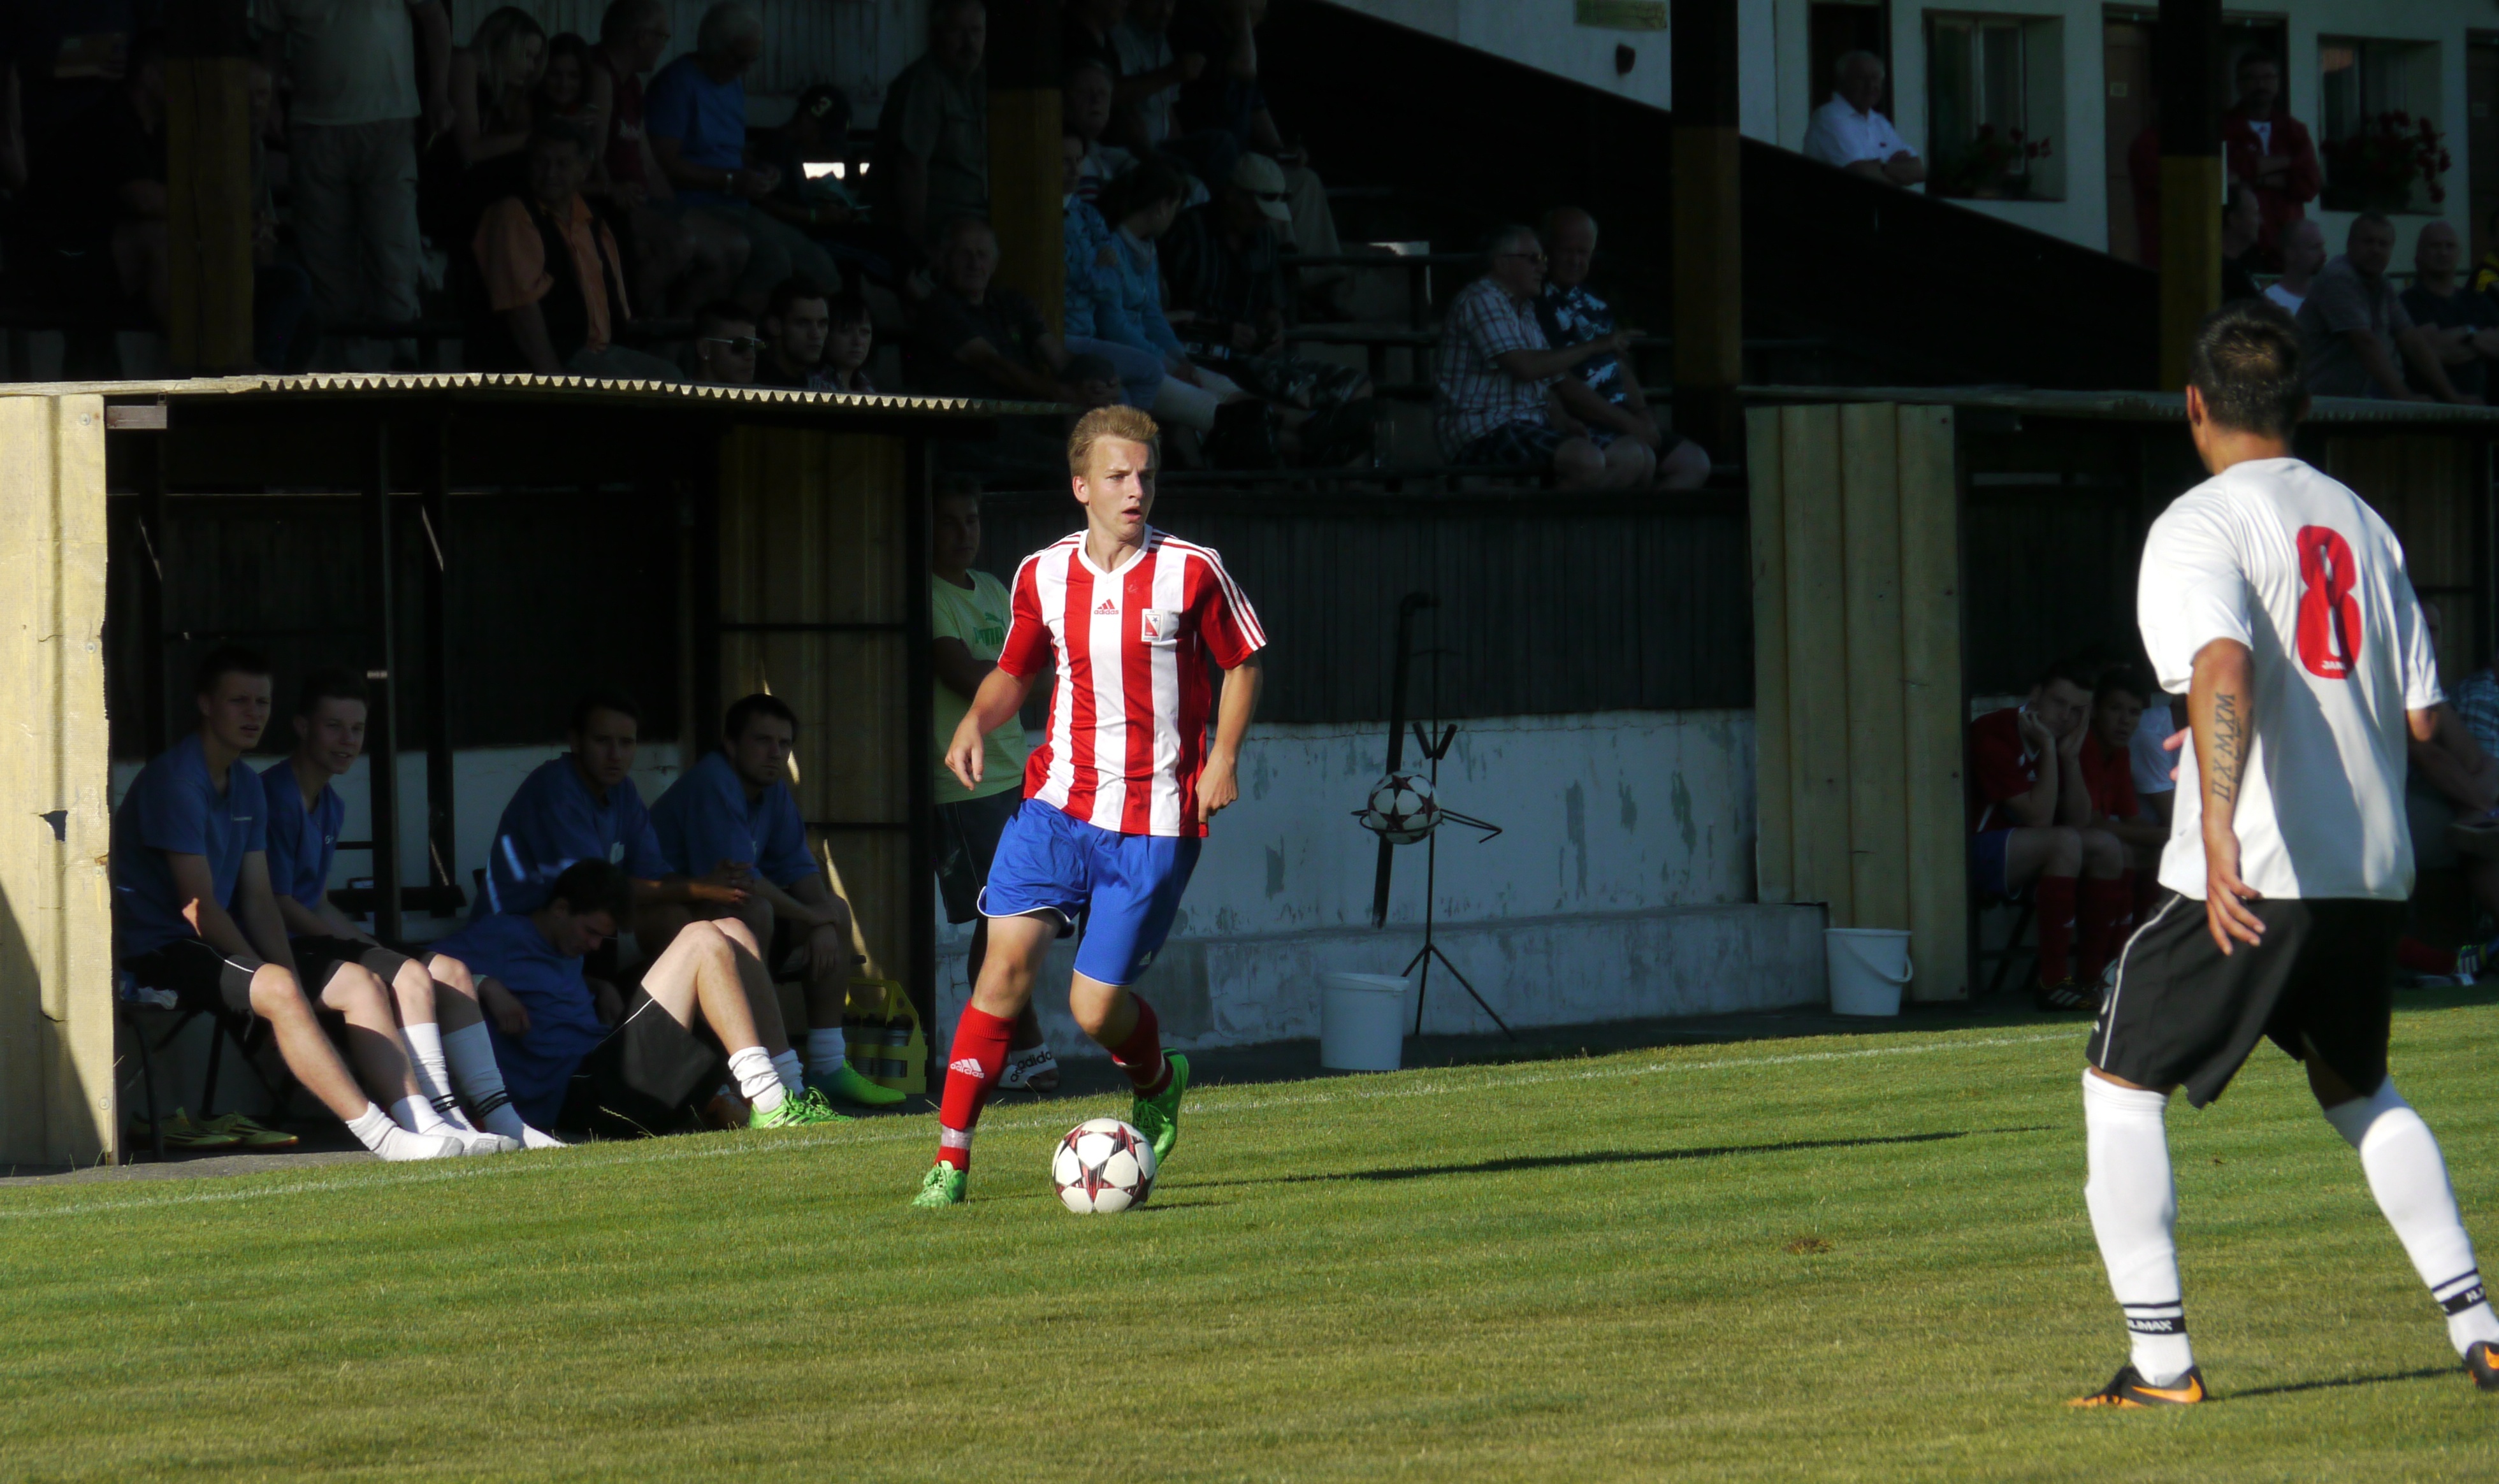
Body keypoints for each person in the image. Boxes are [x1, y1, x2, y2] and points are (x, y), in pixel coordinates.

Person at [2071, 300, 2499, 1407]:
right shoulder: (2362, 522)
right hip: (2369, 865)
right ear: (2302, 405)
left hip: (2258, 861)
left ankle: (2160, 1363)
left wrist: (2216, 826)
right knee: (2357, 1086)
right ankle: (2481, 1328)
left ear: (2194, 405)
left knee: (2118, 1080)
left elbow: (2223, 666)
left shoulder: (2198, 521)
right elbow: (2420, 716)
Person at [912, 406, 1265, 1207]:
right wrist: (974, 721)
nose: (1135, 489)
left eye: (1145, 475)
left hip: (1153, 820)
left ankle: (1157, 1080)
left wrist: (1223, 757)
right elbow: (1015, 670)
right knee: (1003, 970)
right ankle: (950, 1162)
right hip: (1055, 806)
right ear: (1081, 487)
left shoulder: (1192, 569)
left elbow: (1243, 661)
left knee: (1093, 1007)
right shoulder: (1042, 574)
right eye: (1117, 476)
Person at [112, 647, 472, 1163]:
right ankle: (386, 1138)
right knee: (279, 986)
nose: (253, 713)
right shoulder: (178, 780)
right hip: (154, 951)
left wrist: (288, 977)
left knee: (349, 984)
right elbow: (199, 909)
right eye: (238, 701)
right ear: (205, 704)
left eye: (262, 702)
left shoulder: (245, 783)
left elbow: (260, 898)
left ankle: (423, 1120)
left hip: (204, 945)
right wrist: (274, 980)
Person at [257, 668, 554, 1151]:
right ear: (301, 726)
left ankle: (504, 1120)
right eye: (333, 726)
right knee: (410, 975)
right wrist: (363, 951)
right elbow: (279, 902)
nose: (347, 740)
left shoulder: (330, 804)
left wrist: (366, 945)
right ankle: (437, 1120)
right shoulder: (274, 795)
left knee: (453, 972)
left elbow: (318, 900)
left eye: (357, 728)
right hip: (286, 950)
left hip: (320, 939)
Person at [431, 858, 839, 1133]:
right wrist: (486, 984)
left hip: (616, 1075)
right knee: (701, 938)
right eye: (591, 932)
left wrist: (597, 985)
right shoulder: (504, 935)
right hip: (581, 1096)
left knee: (734, 929)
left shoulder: (565, 951)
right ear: (559, 909)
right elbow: (421, 967)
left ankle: (790, 1092)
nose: (595, 946)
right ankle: (767, 1100)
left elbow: (543, 981)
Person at [646, 693, 903, 1109]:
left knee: (837, 910)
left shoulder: (774, 791)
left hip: (721, 916)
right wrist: (812, 917)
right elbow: (742, 883)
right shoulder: (714, 781)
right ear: (731, 745)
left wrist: (823, 918)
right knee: (755, 912)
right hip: (663, 926)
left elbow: (799, 868)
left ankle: (828, 1065)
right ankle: (750, 1070)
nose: (775, 753)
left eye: (784, 744)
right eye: (763, 740)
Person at [931, 479, 1059, 1095]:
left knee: (1016, 913)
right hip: (964, 782)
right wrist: (1017, 675)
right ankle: (1016, 1047)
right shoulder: (926, 595)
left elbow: (1022, 668)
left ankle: (997, 1048)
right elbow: (972, 676)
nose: (965, 534)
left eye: (972, 520)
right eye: (949, 522)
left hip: (1015, 771)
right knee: (1003, 916)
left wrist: (1014, 675)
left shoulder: (991, 588)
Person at [254, 0, 453, 369]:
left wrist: (440, 93)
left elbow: (434, 17)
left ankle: (403, 361)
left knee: (393, 250)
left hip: (388, 123)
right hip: (314, 127)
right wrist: (270, 103)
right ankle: (347, 368)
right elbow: (272, 41)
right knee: (326, 261)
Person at [475, 692, 747, 947]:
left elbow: (652, 872)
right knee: (673, 919)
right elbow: (594, 891)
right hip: (518, 937)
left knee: (734, 912)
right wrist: (700, 889)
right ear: (576, 742)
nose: (615, 755)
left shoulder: (623, 790)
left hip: (587, 925)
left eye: (626, 743)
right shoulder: (556, 790)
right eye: (602, 741)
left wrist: (715, 884)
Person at [1161, 153, 1372, 463]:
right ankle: (1315, 446)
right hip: (1203, 354)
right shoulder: (1187, 232)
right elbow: (1162, 312)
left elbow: (1272, 306)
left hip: (1256, 354)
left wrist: (1274, 328)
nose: (1262, 219)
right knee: (1299, 395)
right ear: (1233, 196)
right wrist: (1219, 330)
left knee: (1356, 386)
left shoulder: (1265, 239)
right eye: (1256, 210)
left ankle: (1323, 445)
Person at [644, 1, 843, 310]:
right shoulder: (676, 85)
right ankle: (732, 332)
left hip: (737, 203)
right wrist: (730, 181)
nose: (746, 68)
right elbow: (664, 164)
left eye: (753, 60)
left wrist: (760, 169)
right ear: (713, 48)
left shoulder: (733, 83)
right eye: (739, 59)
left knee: (819, 264)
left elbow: (730, 152)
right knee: (772, 260)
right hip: (697, 205)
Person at [1965, 658, 2131, 1011]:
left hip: (2030, 851)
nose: (2065, 717)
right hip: (1973, 853)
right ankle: (2053, 982)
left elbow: (2080, 820)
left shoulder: (2067, 740)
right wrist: (2052, 751)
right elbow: (2040, 818)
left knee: (2106, 846)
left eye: (2078, 711)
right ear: (2036, 695)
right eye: (2059, 703)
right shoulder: (1993, 731)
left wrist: (2069, 759)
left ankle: (2091, 980)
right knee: (2064, 841)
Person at [470, 118, 683, 380]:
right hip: (554, 356)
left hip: (597, 350)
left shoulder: (593, 218)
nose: (550, 173)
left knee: (671, 377)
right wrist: (552, 377)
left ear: (584, 169)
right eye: (541, 162)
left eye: (562, 164)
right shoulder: (514, 214)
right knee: (624, 386)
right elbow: (521, 308)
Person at [1435, 225, 1641, 489]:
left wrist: (1564, 421)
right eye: (1534, 259)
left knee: (1633, 456)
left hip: (1527, 426)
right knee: (1586, 461)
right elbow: (1526, 368)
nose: (1543, 268)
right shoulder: (1481, 299)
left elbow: (1546, 381)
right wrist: (1594, 346)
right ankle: (1539, 515)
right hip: (1482, 430)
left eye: (1543, 259)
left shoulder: (1525, 308)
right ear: (1502, 263)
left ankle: (1553, 512)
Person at [586, 0, 747, 319]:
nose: (663, 46)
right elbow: (594, 157)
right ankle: (624, 324)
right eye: (662, 37)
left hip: (643, 199)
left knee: (735, 247)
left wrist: (673, 208)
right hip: (613, 202)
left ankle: (676, 334)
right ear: (642, 37)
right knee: (679, 243)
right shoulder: (601, 76)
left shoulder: (632, 83)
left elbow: (648, 162)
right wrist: (615, 195)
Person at [1535, 207, 1711, 492]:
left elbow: (1617, 365)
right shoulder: (1536, 302)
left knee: (1695, 463)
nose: (1576, 260)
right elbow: (1561, 383)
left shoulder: (1593, 300)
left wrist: (1642, 414)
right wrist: (1630, 424)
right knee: (1637, 458)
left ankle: (1646, 522)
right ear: (1547, 250)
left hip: (1620, 418)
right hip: (1580, 423)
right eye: (1567, 251)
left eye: (1583, 252)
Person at [15, 25, 167, 328]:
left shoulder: (158, 130)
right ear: (150, 76)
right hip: (59, 259)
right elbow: (144, 200)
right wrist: (215, 212)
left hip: (96, 255)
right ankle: (198, 352)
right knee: (162, 238)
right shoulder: (112, 120)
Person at [906, 215, 1093, 404]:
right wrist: (1061, 392)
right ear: (945, 260)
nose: (974, 264)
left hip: (1026, 413)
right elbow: (992, 366)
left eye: (982, 255)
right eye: (964, 254)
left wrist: (1097, 379)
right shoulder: (938, 309)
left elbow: (1057, 356)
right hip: (974, 418)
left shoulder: (1012, 302)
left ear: (994, 263)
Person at [2297, 214, 2474, 403]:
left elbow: (2412, 340)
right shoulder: (2338, 278)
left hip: (2346, 402)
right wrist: (2405, 398)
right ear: (2350, 244)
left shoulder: (2382, 284)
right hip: (2313, 404)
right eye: (2368, 242)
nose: (2376, 249)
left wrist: (2452, 397)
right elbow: (2365, 342)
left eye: (2383, 244)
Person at [873, 0, 987, 247]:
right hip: (942, 229)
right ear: (936, 36)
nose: (969, 42)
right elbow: (911, 167)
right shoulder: (924, 83)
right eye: (957, 31)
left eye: (976, 31)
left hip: (976, 223)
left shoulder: (980, 82)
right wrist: (916, 243)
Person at [2080, 668, 2171, 931]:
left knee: (2161, 854)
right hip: (2069, 844)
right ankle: (2111, 951)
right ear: (2094, 711)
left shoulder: (2120, 752)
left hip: (2101, 847)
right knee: (2125, 853)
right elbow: (2092, 823)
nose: (2125, 721)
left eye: (2134, 712)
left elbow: (2132, 818)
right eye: (2115, 709)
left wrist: (2169, 838)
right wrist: (2165, 836)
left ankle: (2143, 940)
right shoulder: (2084, 746)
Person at [2219, 48, 2318, 267]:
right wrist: (2286, 163)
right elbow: (2225, 178)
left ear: (2277, 82)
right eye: (2252, 78)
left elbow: (2309, 185)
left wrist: (2253, 176)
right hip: (2238, 245)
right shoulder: (2223, 129)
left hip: (2285, 245)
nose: (2260, 85)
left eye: (2267, 77)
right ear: (2238, 84)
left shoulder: (2294, 131)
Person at [2401, 222, 2499, 403]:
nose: (2443, 252)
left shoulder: (2478, 301)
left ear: (2459, 253)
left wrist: (2465, 337)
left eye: (2450, 246)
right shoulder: (2410, 301)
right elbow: (2432, 350)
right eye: (2435, 246)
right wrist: (2479, 339)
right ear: (2419, 255)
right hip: (2432, 411)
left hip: (2484, 409)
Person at [1802, 50, 1923, 187]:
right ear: (1843, 82)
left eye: (1875, 78)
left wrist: (1881, 168)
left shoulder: (1879, 122)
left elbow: (1918, 170)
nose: (1870, 86)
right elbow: (1861, 173)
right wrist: (1896, 172)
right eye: (1861, 78)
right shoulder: (1830, 117)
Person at [753, 274, 836, 390]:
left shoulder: (823, 383)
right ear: (775, 326)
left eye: (822, 324)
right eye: (803, 323)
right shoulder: (751, 385)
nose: (816, 334)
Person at [2265, 217, 2324, 316]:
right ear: (2291, 254)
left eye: (2322, 246)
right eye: (2315, 248)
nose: (2323, 254)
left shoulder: (2328, 296)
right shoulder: (2270, 301)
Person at [692, 298, 760, 384]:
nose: (751, 356)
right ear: (705, 349)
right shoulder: (678, 392)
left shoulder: (765, 392)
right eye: (739, 345)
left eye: (755, 345)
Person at [2220, 182, 2262, 304]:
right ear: (2234, 219)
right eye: (2255, 214)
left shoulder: (2245, 266)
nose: (2261, 221)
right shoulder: (2226, 274)